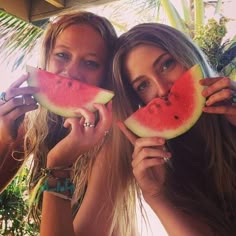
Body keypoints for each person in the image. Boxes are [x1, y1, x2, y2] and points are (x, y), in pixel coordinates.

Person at [0, 10, 137, 236]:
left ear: (106, 75)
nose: (72, 73)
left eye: (91, 63)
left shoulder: (114, 138)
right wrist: (5, 137)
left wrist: (59, 164)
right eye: (62, 55)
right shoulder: (37, 120)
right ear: (46, 58)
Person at [112, 23, 236, 235]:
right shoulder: (165, 167)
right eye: (143, 85)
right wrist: (155, 196)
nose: (162, 89)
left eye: (166, 65)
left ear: (187, 55)